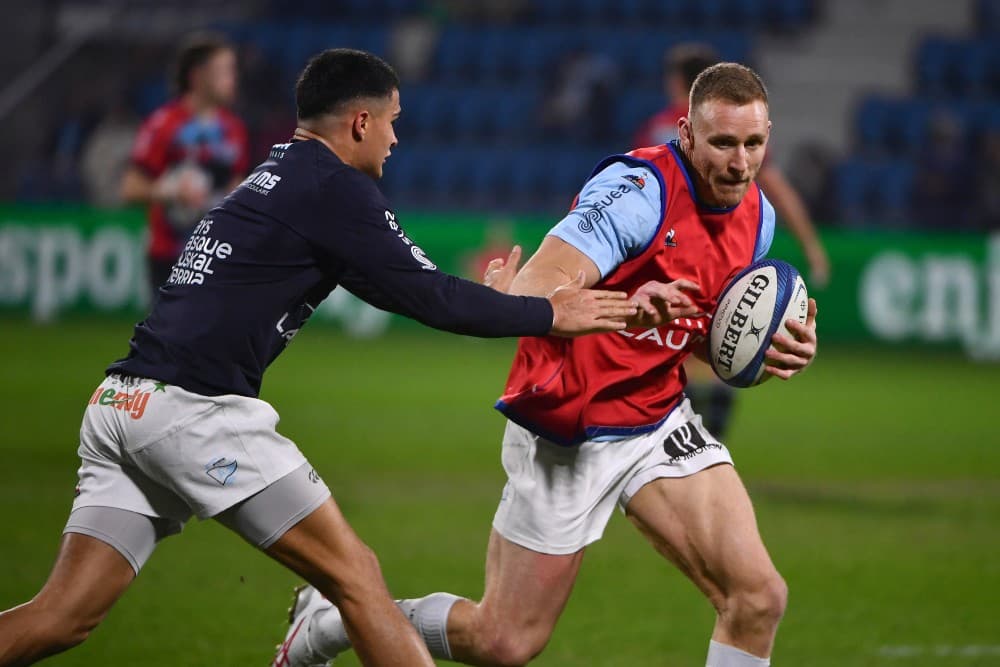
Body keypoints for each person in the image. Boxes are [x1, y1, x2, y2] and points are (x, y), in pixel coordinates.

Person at [0, 49, 638, 667]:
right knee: (357, 577)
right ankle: (311, 628)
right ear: (360, 121)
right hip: (194, 413)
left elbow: (412, 289)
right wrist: (550, 313)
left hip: (122, 404)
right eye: (392, 122)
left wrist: (490, 302)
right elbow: (430, 299)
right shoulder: (334, 189)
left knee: (62, 618)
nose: (394, 139)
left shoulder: (276, 173)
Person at [278, 62, 818, 667]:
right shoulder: (637, 193)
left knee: (758, 597)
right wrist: (625, 308)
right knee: (503, 640)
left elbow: (705, 331)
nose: (740, 162)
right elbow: (540, 283)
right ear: (687, 134)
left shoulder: (758, 217)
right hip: (571, 424)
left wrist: (770, 348)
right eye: (722, 142)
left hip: (657, 417)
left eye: (753, 143)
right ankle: (332, 621)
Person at [635, 43, 829, 439]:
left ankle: (676, 432)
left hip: (654, 254)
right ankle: (699, 435)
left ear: (675, 82)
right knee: (719, 332)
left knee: (673, 342)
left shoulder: (663, 126)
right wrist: (812, 245)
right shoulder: (731, 133)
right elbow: (776, 188)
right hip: (710, 247)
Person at [120, 32, 249, 296]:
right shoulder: (163, 125)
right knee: (170, 337)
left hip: (215, 255)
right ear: (198, 76)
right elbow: (130, 188)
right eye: (224, 71)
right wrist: (172, 192)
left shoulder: (234, 129)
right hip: (169, 255)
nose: (232, 79)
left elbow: (235, 186)